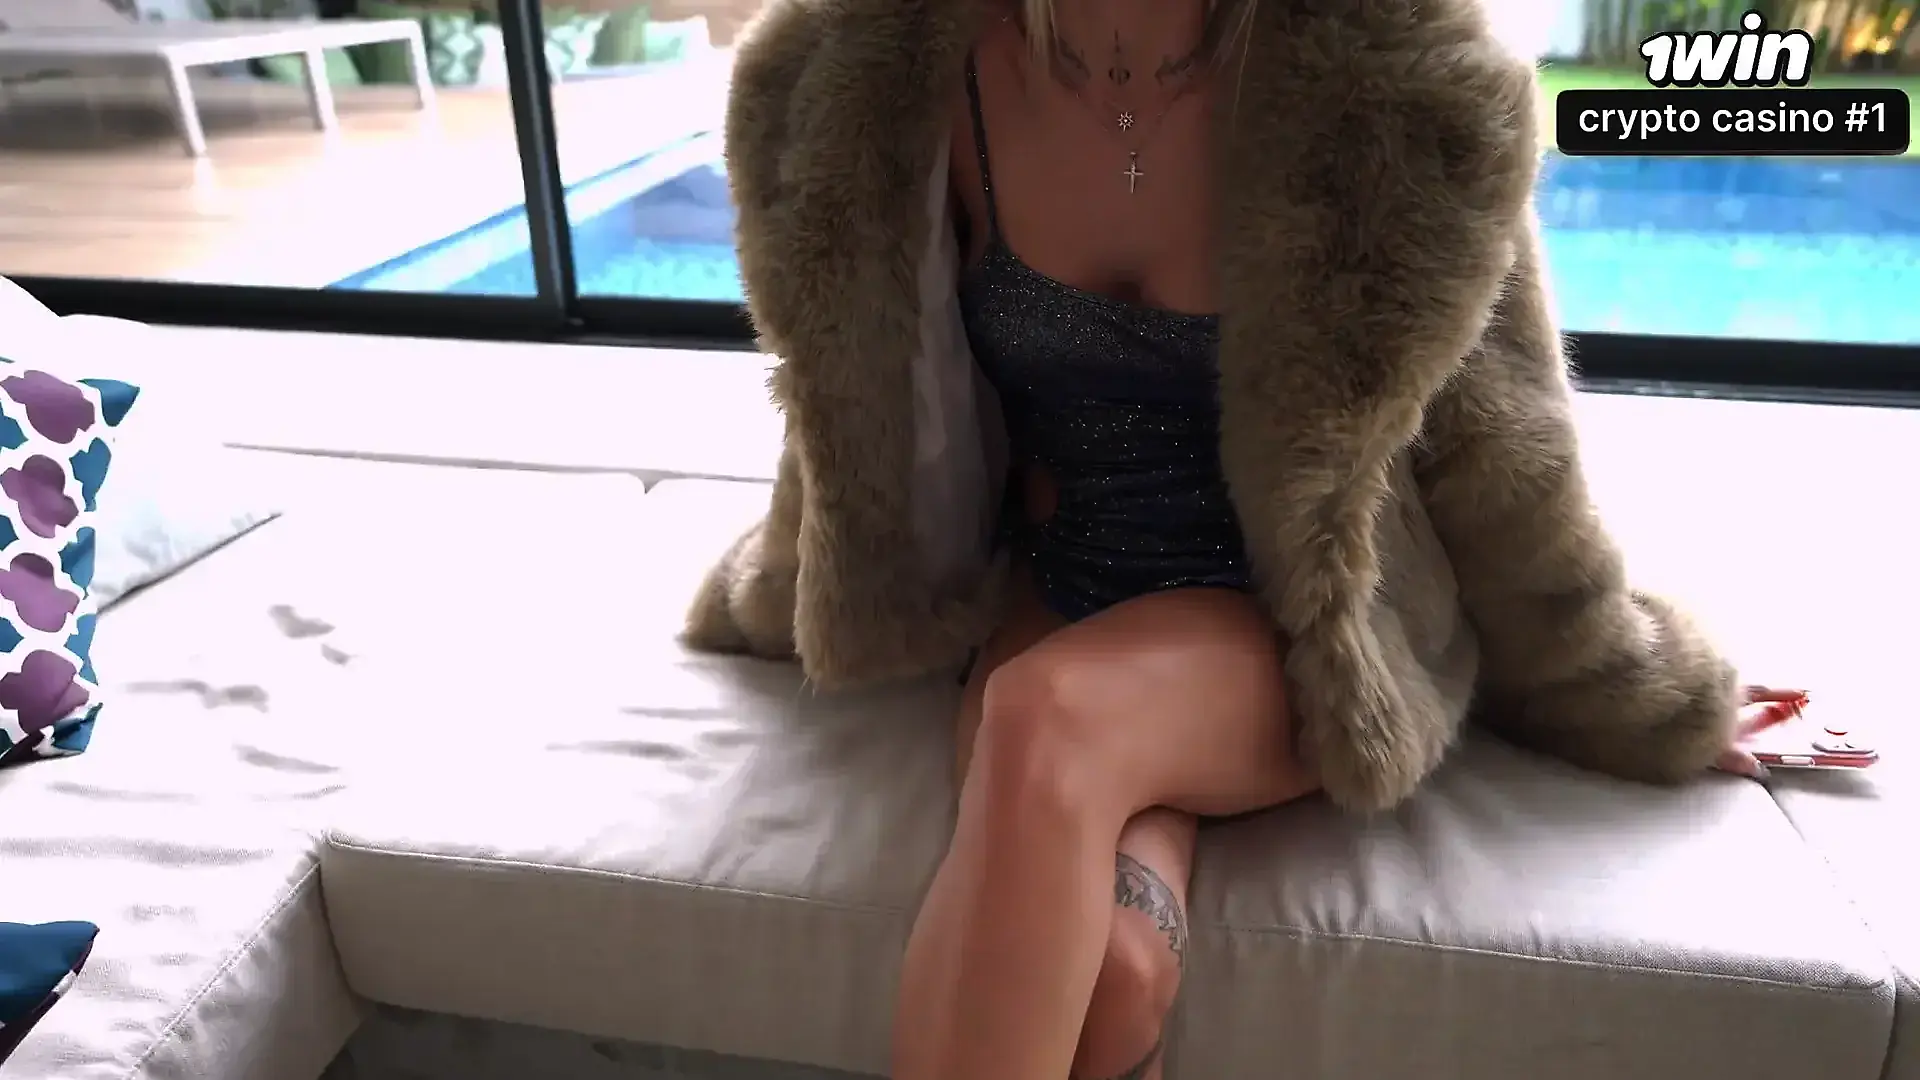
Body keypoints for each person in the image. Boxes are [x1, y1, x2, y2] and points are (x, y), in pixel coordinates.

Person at [681, 1, 1789, 1078]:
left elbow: (1505, 447)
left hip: (1293, 625)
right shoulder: (886, 67)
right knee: (1119, 967)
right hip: (1060, 587)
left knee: (1043, 717)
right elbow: (861, 406)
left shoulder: (1393, 76)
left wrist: (1630, 688)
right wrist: (780, 583)